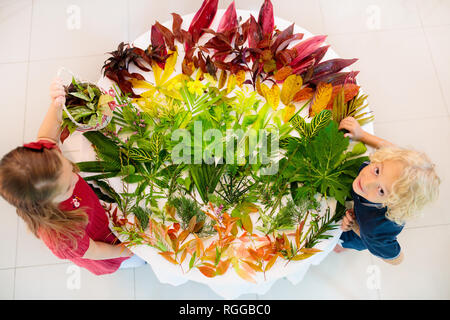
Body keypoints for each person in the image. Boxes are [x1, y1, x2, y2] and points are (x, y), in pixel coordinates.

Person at [0, 78, 145, 275]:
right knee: (130, 260)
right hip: (104, 245)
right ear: (47, 203)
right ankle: (131, 262)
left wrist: (57, 104)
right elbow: (95, 250)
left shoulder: (47, 162)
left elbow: (48, 136)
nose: (77, 178)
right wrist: (126, 251)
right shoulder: (61, 237)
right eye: (68, 186)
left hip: (97, 213)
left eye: (68, 167)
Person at [335, 117, 440, 265]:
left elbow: (396, 260)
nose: (367, 182)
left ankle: (342, 246)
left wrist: (355, 226)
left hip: (359, 232)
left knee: (342, 241)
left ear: (391, 203)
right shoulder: (391, 169)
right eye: (377, 170)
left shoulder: (375, 230)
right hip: (359, 204)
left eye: (381, 191)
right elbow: (393, 151)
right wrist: (362, 135)